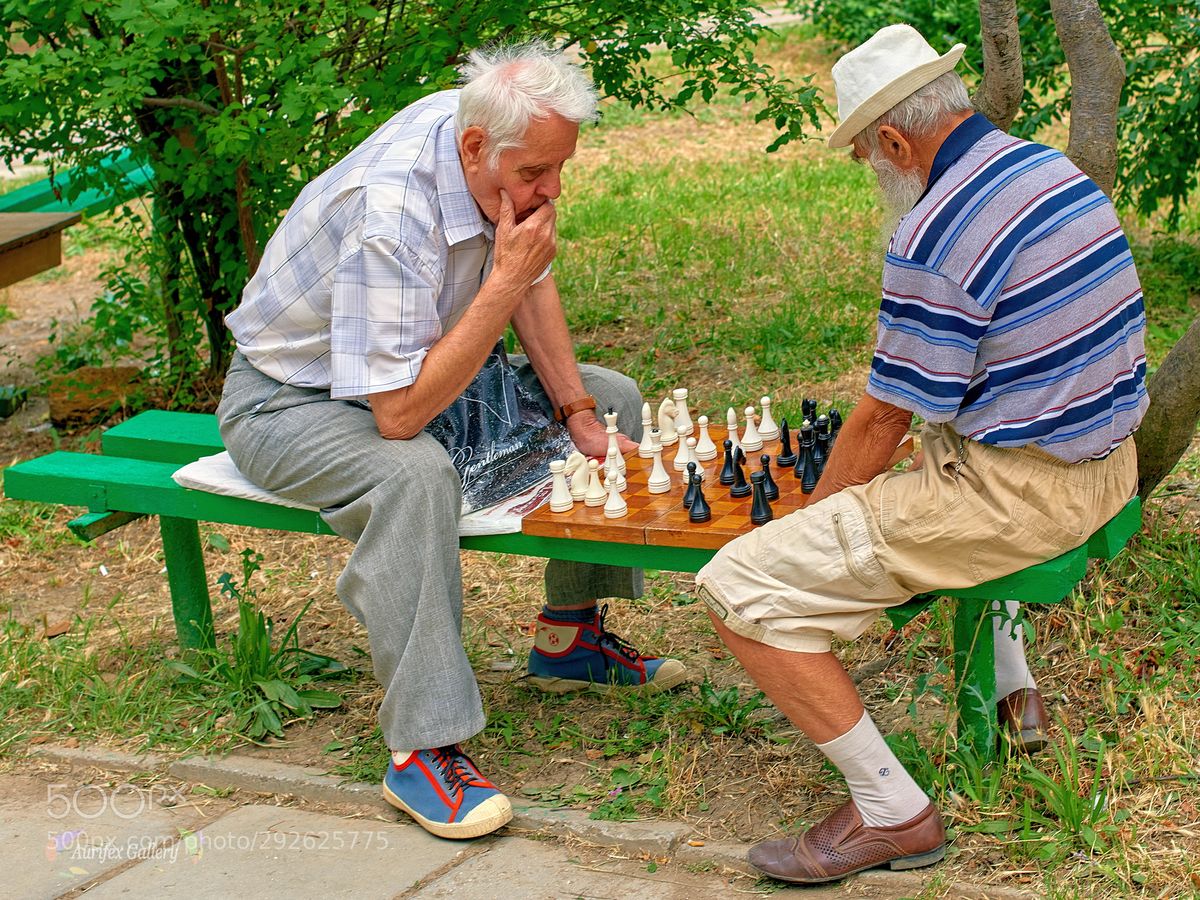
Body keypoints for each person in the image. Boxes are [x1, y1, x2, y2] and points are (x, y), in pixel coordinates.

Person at [695, 23, 1147, 884]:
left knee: (738, 584)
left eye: (867, 152)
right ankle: (1016, 689)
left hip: (1026, 499)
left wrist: (809, 522)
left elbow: (880, 424)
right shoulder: (1044, 167)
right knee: (936, 449)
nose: (871, 170)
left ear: (897, 140)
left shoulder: (936, 229)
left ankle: (891, 813)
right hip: (1108, 465)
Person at [216, 43, 687, 841]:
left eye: (559, 168)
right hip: (287, 404)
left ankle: (569, 639)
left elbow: (528, 278)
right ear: (477, 149)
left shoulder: (488, 141)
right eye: (537, 174)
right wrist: (503, 282)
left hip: (406, 376)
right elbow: (398, 417)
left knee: (612, 403)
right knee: (412, 475)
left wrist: (574, 409)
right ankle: (422, 750)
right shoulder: (391, 209)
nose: (552, 189)